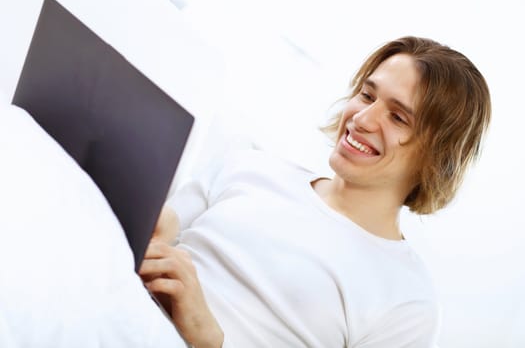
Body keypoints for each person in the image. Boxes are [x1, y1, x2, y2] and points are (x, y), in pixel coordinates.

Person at [139, 36, 491, 347]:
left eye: (398, 117)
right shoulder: (249, 166)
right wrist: (150, 226)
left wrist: (210, 338)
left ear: (436, 157)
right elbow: (159, 231)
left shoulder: (409, 304)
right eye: (367, 95)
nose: (362, 119)